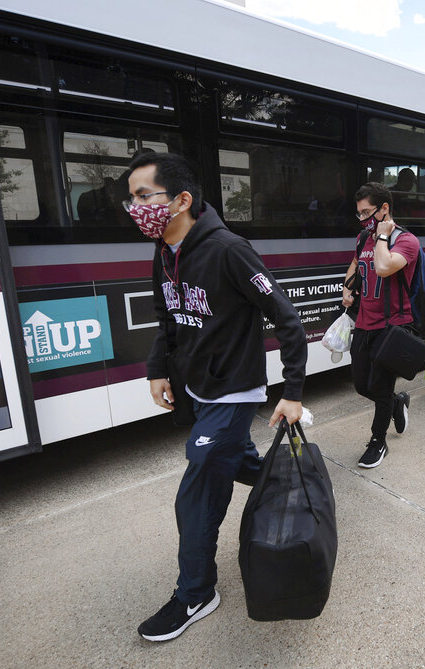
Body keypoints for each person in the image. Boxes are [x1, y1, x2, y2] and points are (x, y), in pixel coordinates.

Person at [127, 152, 307, 642]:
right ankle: (303, 486)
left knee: (198, 490)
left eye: (145, 196)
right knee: (243, 462)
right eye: (132, 197)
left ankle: (196, 592)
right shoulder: (165, 251)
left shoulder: (228, 249)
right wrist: (157, 369)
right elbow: (170, 318)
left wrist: (291, 393)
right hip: (196, 387)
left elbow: (286, 319)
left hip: (234, 389)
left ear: (182, 199)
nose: (135, 206)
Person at [341, 182, 419, 468]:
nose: (362, 219)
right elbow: (355, 263)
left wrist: (383, 237)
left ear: (384, 209)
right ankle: (397, 403)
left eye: (367, 213)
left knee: (381, 387)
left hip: (391, 327)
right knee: (362, 385)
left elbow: (384, 267)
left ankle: (378, 441)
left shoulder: (406, 241)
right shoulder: (364, 237)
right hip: (364, 323)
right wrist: (346, 286)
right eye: (359, 214)